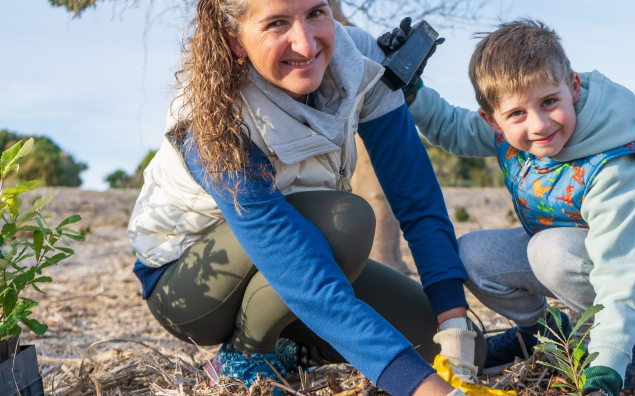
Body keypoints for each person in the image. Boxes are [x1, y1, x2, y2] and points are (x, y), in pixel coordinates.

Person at [126, 1, 486, 395]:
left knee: (449, 342)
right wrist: (423, 390)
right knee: (347, 222)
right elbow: (293, 263)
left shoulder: (363, 63)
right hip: (191, 285)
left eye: (316, 12)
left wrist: (454, 329)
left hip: (301, 251)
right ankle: (246, 354)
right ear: (234, 38)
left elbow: (415, 197)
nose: (306, 42)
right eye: (277, 23)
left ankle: (297, 348)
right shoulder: (208, 114)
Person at [373, 19, 635, 396]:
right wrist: (412, 89)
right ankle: (549, 337)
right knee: (471, 254)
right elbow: (451, 127)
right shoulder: (509, 130)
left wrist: (607, 364)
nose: (540, 124)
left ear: (574, 87)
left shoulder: (615, 165)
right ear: (492, 120)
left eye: (550, 102)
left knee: (549, 251)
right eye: (516, 114)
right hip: (573, 252)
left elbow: (624, 271)